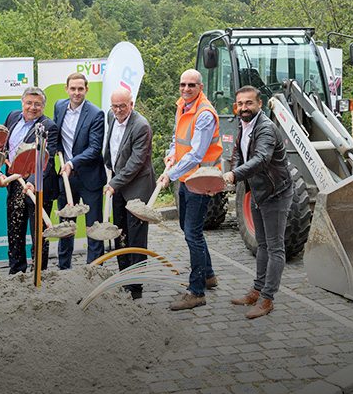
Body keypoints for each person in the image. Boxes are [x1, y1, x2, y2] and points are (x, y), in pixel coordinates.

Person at [224, 86, 292, 318]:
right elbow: (237, 152)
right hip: (258, 192)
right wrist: (234, 173)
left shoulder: (265, 128)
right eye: (240, 104)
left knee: (274, 247)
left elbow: (262, 159)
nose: (244, 108)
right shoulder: (243, 125)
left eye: (249, 103)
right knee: (261, 245)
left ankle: (267, 299)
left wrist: (234, 175)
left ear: (259, 104)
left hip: (275, 193)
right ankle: (257, 289)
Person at [158, 69, 223, 310]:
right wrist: (170, 155)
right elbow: (178, 139)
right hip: (185, 178)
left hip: (200, 179)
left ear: (200, 87)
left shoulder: (205, 114)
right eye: (183, 84)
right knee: (188, 229)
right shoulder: (183, 106)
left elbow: (196, 153)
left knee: (193, 234)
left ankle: (196, 291)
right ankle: (208, 275)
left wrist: (168, 175)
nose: (186, 89)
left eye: (191, 85)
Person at [103, 87, 155, 299]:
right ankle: (123, 276)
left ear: (131, 104)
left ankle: (135, 287)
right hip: (118, 184)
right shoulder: (111, 116)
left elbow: (135, 162)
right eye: (114, 106)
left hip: (137, 186)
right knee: (119, 232)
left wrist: (114, 183)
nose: (118, 111)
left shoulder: (141, 126)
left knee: (136, 237)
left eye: (122, 106)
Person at [0, 87, 59, 274]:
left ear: (43, 106)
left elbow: (47, 161)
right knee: (15, 232)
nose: (32, 107)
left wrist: (33, 181)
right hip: (14, 183)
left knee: (38, 235)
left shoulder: (48, 126)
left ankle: (38, 274)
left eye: (37, 104)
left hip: (38, 187)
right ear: (22, 103)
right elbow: (4, 143)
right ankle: (16, 272)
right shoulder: (12, 117)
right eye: (29, 103)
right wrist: (2, 156)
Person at [52, 72, 106, 269]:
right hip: (66, 180)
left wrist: (71, 163)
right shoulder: (59, 106)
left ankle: (94, 269)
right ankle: (64, 268)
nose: (76, 92)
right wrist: (57, 153)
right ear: (66, 89)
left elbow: (94, 149)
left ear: (86, 90)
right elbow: (57, 135)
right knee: (66, 226)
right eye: (73, 88)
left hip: (90, 179)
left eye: (80, 89)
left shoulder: (95, 114)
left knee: (94, 228)